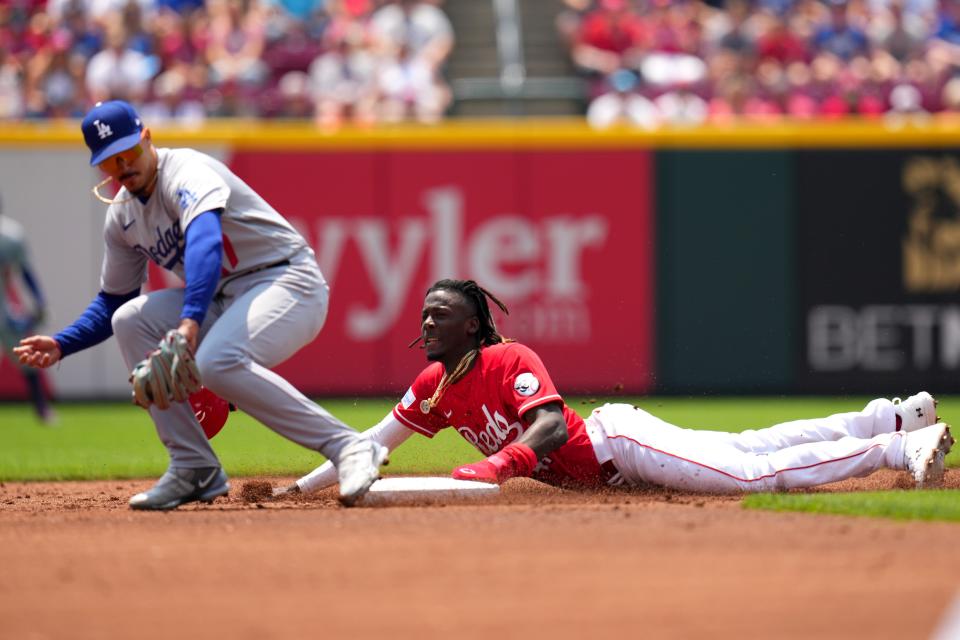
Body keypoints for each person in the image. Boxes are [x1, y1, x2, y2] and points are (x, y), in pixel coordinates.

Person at [14, 100, 387, 510]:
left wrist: (191, 321)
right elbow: (113, 299)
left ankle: (351, 447)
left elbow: (205, 243)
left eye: (129, 153)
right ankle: (193, 466)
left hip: (287, 280)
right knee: (129, 319)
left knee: (217, 361)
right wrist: (63, 343)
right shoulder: (121, 216)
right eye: (110, 161)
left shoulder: (187, 171)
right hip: (225, 298)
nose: (123, 166)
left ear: (147, 138)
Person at [277, 278, 954, 497]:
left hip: (615, 446)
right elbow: (368, 444)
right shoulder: (432, 385)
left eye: (441, 314)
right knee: (749, 443)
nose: (426, 322)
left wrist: (502, 463)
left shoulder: (509, 354)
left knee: (751, 474)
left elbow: (544, 426)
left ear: (474, 325)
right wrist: (305, 490)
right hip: (608, 465)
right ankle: (883, 419)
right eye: (424, 313)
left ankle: (900, 450)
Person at [0, 200, 56, 424]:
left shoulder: (10, 234)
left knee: (24, 357)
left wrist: (40, 302)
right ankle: (42, 410)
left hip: (3, 309)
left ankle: (42, 409)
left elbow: (24, 271)